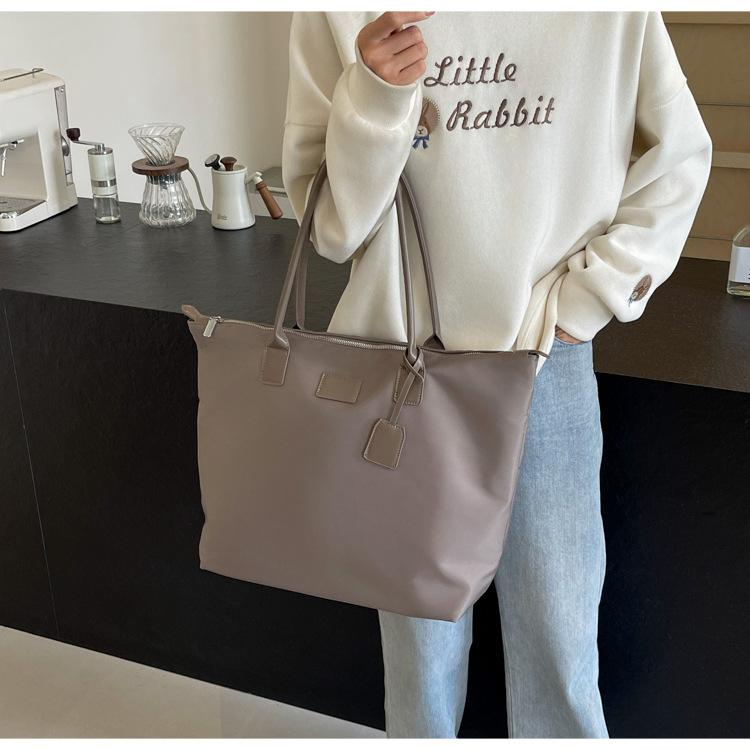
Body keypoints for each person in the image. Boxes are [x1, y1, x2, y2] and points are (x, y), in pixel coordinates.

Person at [281, 10, 712, 739]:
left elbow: (681, 157)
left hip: (545, 360)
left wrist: (591, 301)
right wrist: (376, 99)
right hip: (405, 365)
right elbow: (331, 228)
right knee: (420, 655)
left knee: (560, 641)